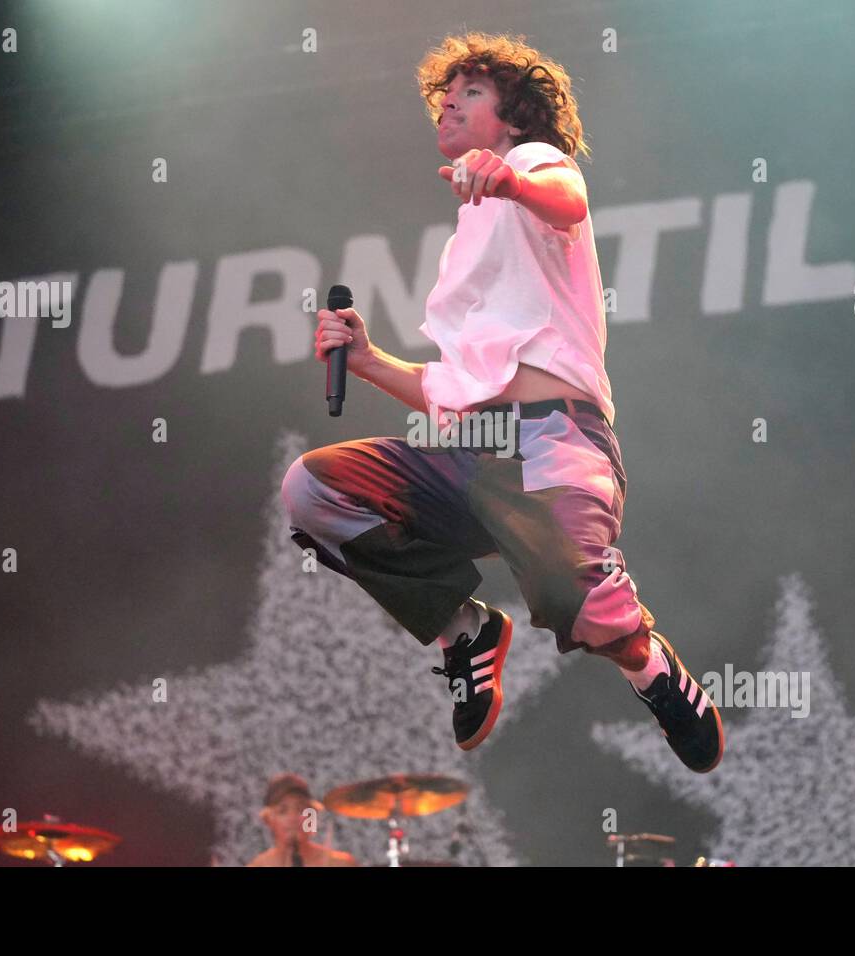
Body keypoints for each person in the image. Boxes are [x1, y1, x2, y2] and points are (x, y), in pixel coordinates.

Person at [282, 32, 723, 773]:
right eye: (446, 93)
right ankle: (465, 631)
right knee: (313, 489)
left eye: (473, 92)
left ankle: (650, 668)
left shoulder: (529, 165)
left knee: (582, 604)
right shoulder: (471, 231)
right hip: (471, 449)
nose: (450, 99)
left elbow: (569, 195)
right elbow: (450, 390)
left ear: (514, 118)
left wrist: (514, 180)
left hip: (555, 438)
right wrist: (366, 360)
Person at [244, 773, 357, 867]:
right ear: (268, 820)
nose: (293, 818)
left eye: (301, 809)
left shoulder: (340, 864)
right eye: (282, 811)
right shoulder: (259, 865)